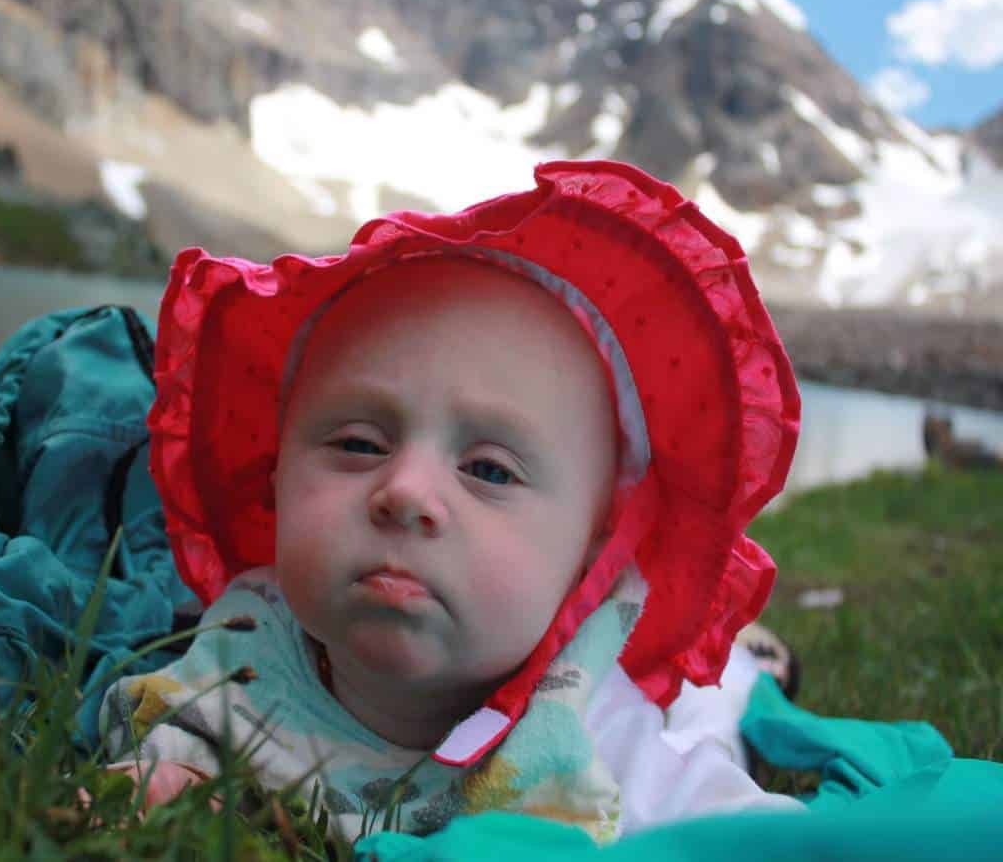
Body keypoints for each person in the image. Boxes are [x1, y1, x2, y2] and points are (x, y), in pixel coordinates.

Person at [97, 159, 804, 842]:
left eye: (490, 471)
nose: (405, 493)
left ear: (592, 546)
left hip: (677, 711)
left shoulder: (588, 720)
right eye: (358, 444)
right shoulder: (252, 638)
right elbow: (189, 732)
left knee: (713, 709)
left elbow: (742, 828)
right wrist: (158, 781)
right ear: (277, 476)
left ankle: (751, 664)